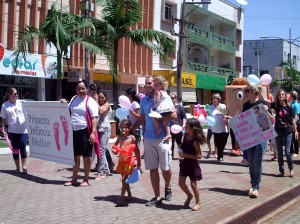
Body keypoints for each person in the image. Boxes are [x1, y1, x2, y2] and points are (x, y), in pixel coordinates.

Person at [133, 75, 173, 207]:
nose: (149, 85)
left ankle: (167, 187)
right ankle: (156, 196)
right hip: (149, 138)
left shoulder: (164, 97)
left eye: (150, 83)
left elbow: (174, 114)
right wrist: (131, 128)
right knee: (153, 169)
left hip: (163, 138)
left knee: (165, 169)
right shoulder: (144, 101)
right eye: (147, 83)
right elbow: (142, 118)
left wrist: (160, 114)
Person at [62, 81, 99, 187]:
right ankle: (74, 179)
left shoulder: (90, 101)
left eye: (83, 89)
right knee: (75, 157)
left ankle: (86, 179)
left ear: (86, 89)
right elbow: (66, 110)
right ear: (76, 90)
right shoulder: (73, 99)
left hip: (85, 132)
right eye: (79, 89)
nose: (81, 91)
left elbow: (94, 118)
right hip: (73, 132)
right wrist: (63, 102)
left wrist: (92, 133)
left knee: (86, 157)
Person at [242, 84, 274, 198]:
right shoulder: (245, 105)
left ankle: (256, 187)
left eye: (247, 90)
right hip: (250, 137)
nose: (246, 92)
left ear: (254, 91)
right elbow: (243, 120)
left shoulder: (263, 104)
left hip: (262, 136)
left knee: (257, 161)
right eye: (245, 90)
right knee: (250, 162)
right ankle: (253, 184)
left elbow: (272, 120)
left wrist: (267, 111)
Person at [178, 118, 206, 211]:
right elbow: (184, 145)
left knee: (193, 185)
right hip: (184, 163)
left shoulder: (195, 141)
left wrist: (186, 155)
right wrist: (181, 147)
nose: (185, 127)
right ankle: (189, 195)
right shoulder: (185, 135)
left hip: (192, 165)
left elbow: (199, 156)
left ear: (193, 128)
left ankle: (198, 203)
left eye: (187, 126)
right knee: (181, 183)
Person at [112, 119, 141, 207]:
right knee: (124, 179)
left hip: (129, 161)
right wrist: (114, 150)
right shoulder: (120, 137)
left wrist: (139, 161)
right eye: (122, 128)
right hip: (121, 161)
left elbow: (136, 150)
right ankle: (129, 194)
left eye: (125, 128)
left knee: (124, 179)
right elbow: (114, 147)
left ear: (130, 128)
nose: (123, 130)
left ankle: (121, 198)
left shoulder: (132, 138)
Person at [0, 87, 28, 173]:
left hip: (23, 130)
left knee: (23, 148)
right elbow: (3, 119)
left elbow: (32, 108)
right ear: (9, 95)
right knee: (15, 149)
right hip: (12, 131)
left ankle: (24, 166)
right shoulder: (5, 105)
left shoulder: (21, 103)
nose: (17, 95)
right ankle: (17, 167)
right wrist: (3, 130)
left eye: (17, 93)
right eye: (15, 94)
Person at [274, 89, 297, 177]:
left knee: (287, 152)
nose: (281, 96)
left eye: (283, 94)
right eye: (279, 94)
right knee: (280, 152)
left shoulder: (289, 107)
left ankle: (291, 169)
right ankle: (281, 171)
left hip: (287, 132)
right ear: (278, 96)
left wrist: (295, 129)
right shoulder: (275, 106)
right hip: (278, 132)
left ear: (285, 96)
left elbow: (293, 119)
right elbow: (264, 101)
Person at [150, 75, 176, 142]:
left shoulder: (158, 92)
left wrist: (153, 107)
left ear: (162, 85)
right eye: (155, 85)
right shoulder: (165, 92)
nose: (155, 86)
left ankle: (158, 128)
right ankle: (168, 133)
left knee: (153, 115)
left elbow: (157, 101)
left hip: (162, 108)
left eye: (157, 85)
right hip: (168, 108)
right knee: (165, 121)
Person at [95, 89, 113, 181]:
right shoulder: (97, 104)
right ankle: (105, 169)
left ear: (106, 98)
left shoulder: (107, 105)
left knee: (102, 150)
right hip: (97, 129)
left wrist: (96, 102)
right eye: (99, 97)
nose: (101, 99)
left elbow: (102, 112)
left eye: (102, 97)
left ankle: (102, 171)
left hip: (105, 129)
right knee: (99, 150)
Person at [210, 93, 228, 162]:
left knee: (223, 142)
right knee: (218, 143)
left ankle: (220, 154)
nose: (215, 99)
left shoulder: (223, 106)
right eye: (213, 98)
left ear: (219, 99)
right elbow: (208, 116)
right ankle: (220, 156)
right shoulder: (211, 107)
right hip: (215, 128)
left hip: (224, 127)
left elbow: (227, 114)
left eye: (216, 98)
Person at [169, 93, 187, 159]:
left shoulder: (180, 107)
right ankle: (171, 156)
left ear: (176, 99)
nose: (172, 99)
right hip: (170, 127)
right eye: (171, 98)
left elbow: (184, 117)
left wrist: (183, 124)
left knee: (179, 142)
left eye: (173, 98)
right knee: (171, 143)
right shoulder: (168, 107)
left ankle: (181, 155)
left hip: (178, 128)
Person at [289, 91, 300, 158]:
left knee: (295, 138)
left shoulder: (296, 104)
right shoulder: (290, 103)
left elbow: (296, 116)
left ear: (292, 96)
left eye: (290, 95)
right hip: (290, 122)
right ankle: (291, 151)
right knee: (291, 137)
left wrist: (294, 125)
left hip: (295, 123)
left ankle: (296, 151)